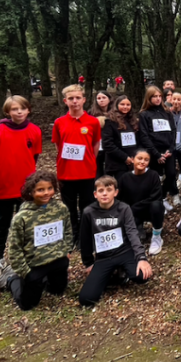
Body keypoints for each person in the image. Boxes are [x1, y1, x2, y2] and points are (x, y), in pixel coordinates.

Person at [0, 171, 73, 311]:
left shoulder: (61, 209)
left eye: (50, 188)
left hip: (57, 259)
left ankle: (46, 279)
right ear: (31, 192)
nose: (46, 193)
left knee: (57, 291)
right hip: (34, 264)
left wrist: (67, 250)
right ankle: (10, 279)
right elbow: (15, 249)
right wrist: (25, 271)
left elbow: (67, 232)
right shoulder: (22, 218)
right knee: (28, 304)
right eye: (40, 190)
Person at [0, 96, 43, 281]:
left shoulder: (35, 130)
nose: (19, 112)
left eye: (22, 108)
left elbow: (34, 156)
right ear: (7, 112)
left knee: (26, 222)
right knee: (3, 222)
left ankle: (27, 256)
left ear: (28, 110)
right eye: (15, 109)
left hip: (26, 186)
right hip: (3, 185)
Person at [78, 176, 153, 306]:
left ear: (116, 192)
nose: (105, 193)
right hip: (103, 257)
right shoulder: (88, 212)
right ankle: (111, 275)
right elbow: (85, 239)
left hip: (124, 252)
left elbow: (132, 233)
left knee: (142, 276)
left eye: (109, 190)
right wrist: (88, 263)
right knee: (86, 299)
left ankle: (123, 271)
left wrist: (141, 258)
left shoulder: (124, 209)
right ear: (95, 194)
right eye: (101, 191)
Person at [52, 84, 102, 246]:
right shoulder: (59, 122)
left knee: (87, 205)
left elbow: (95, 144)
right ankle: (72, 234)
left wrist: (89, 159)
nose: (75, 101)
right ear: (65, 101)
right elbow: (58, 145)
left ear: (84, 100)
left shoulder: (93, 122)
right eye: (71, 98)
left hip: (86, 171)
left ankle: (84, 235)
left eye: (78, 98)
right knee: (69, 207)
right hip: (66, 172)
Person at [118, 150, 166, 255]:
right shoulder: (125, 178)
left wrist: (134, 207)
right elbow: (119, 199)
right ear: (132, 159)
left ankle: (156, 237)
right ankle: (138, 228)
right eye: (139, 158)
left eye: (146, 160)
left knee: (157, 205)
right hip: (132, 213)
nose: (142, 162)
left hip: (149, 210)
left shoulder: (153, 175)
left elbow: (156, 197)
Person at [139, 86, 180, 206]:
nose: (157, 99)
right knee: (156, 177)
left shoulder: (167, 112)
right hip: (154, 151)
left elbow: (173, 131)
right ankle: (157, 200)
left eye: (159, 96)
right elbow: (144, 135)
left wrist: (171, 149)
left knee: (171, 174)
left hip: (168, 150)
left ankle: (164, 194)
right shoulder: (144, 114)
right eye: (154, 96)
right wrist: (156, 154)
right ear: (149, 98)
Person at [102, 95, 149, 181]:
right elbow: (107, 144)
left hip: (133, 161)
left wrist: (136, 156)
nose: (125, 107)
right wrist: (125, 157)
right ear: (117, 105)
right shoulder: (110, 121)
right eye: (122, 104)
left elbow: (139, 141)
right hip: (117, 164)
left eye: (128, 105)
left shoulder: (134, 121)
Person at [89, 91, 113, 179]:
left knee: (109, 171)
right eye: (99, 98)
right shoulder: (90, 113)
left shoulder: (115, 113)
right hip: (97, 146)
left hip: (111, 145)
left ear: (109, 99)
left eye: (104, 98)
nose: (101, 100)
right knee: (97, 171)